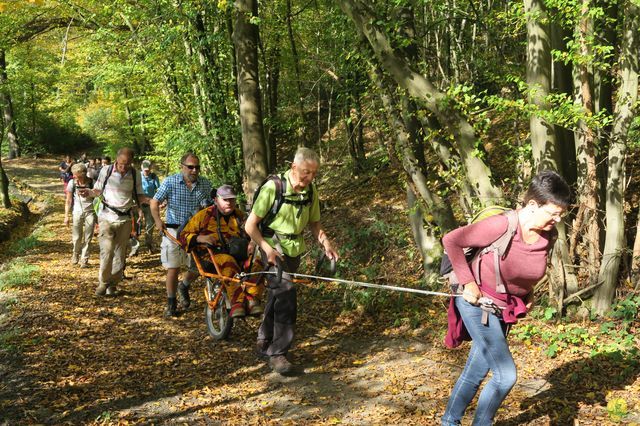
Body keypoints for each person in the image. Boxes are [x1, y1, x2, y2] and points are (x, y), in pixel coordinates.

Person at [440, 170, 571, 426]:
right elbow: (451, 240)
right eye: (553, 212)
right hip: (475, 304)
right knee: (505, 375)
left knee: (477, 370)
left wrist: (527, 292)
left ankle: (449, 421)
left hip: (502, 309)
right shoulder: (502, 225)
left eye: (560, 214)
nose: (557, 219)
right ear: (533, 205)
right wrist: (468, 283)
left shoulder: (547, 235)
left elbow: (525, 267)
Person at [245, 147, 339, 375]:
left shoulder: (310, 191)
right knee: (286, 293)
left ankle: (264, 339)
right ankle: (278, 354)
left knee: (278, 295)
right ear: (294, 167)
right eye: (307, 172)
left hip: (294, 249)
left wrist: (326, 243)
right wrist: (267, 250)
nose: (310, 178)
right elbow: (250, 225)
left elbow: (315, 223)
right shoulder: (273, 188)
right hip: (271, 247)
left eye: (314, 174)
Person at [179, 184, 265, 318]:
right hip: (210, 257)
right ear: (216, 200)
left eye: (232, 199)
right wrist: (200, 238)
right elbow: (183, 236)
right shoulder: (204, 215)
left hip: (237, 255)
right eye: (225, 200)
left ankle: (252, 300)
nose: (229, 203)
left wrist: (253, 242)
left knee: (259, 263)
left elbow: (252, 231)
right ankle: (237, 303)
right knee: (227, 261)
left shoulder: (239, 215)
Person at [150, 152, 212, 317]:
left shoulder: (205, 184)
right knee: (173, 267)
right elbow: (154, 201)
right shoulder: (170, 181)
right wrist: (158, 220)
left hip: (196, 232)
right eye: (190, 167)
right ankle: (171, 303)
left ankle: (183, 286)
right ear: (182, 166)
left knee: (198, 267)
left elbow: (210, 207)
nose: (194, 170)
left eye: (197, 167)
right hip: (173, 230)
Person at [89, 148, 148, 296]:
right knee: (106, 252)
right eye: (122, 163)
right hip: (106, 217)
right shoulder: (106, 170)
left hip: (125, 219)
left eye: (127, 164)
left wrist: (152, 201)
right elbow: (97, 190)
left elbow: (139, 195)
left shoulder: (135, 174)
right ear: (117, 159)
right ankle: (103, 283)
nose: (123, 167)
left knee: (120, 254)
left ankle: (113, 284)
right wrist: (88, 192)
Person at [64, 163, 96, 268]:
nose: (74, 177)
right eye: (74, 175)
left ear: (83, 174)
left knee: (88, 237)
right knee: (77, 237)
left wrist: (89, 192)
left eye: (76, 175)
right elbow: (68, 200)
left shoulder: (92, 182)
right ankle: (75, 254)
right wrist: (66, 216)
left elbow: (99, 196)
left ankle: (84, 259)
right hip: (77, 212)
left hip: (90, 212)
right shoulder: (71, 183)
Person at [140, 160, 161, 252]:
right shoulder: (137, 176)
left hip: (149, 205)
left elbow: (159, 190)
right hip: (138, 204)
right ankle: (134, 248)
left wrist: (159, 201)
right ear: (141, 167)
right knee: (136, 226)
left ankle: (148, 245)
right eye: (145, 170)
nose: (146, 172)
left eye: (148, 170)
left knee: (150, 226)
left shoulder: (154, 177)